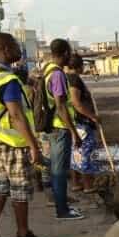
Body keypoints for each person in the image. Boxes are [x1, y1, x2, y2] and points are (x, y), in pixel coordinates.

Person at [0, 32, 50, 237]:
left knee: (0, 186)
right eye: (15, 46)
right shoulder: (8, 79)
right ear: (5, 48)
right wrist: (33, 145)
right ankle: (23, 233)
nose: (19, 50)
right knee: (19, 187)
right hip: (12, 142)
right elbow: (16, 115)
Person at [43, 38, 84, 220]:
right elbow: (60, 106)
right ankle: (62, 210)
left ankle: (62, 204)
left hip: (53, 128)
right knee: (59, 172)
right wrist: (74, 132)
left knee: (56, 169)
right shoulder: (58, 74)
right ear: (65, 53)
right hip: (60, 129)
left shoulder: (47, 70)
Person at [66, 55, 102, 194]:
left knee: (76, 154)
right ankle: (88, 185)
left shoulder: (67, 78)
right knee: (86, 154)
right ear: (79, 66)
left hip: (76, 123)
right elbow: (76, 103)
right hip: (82, 123)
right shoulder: (74, 80)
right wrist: (93, 117)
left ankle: (77, 184)